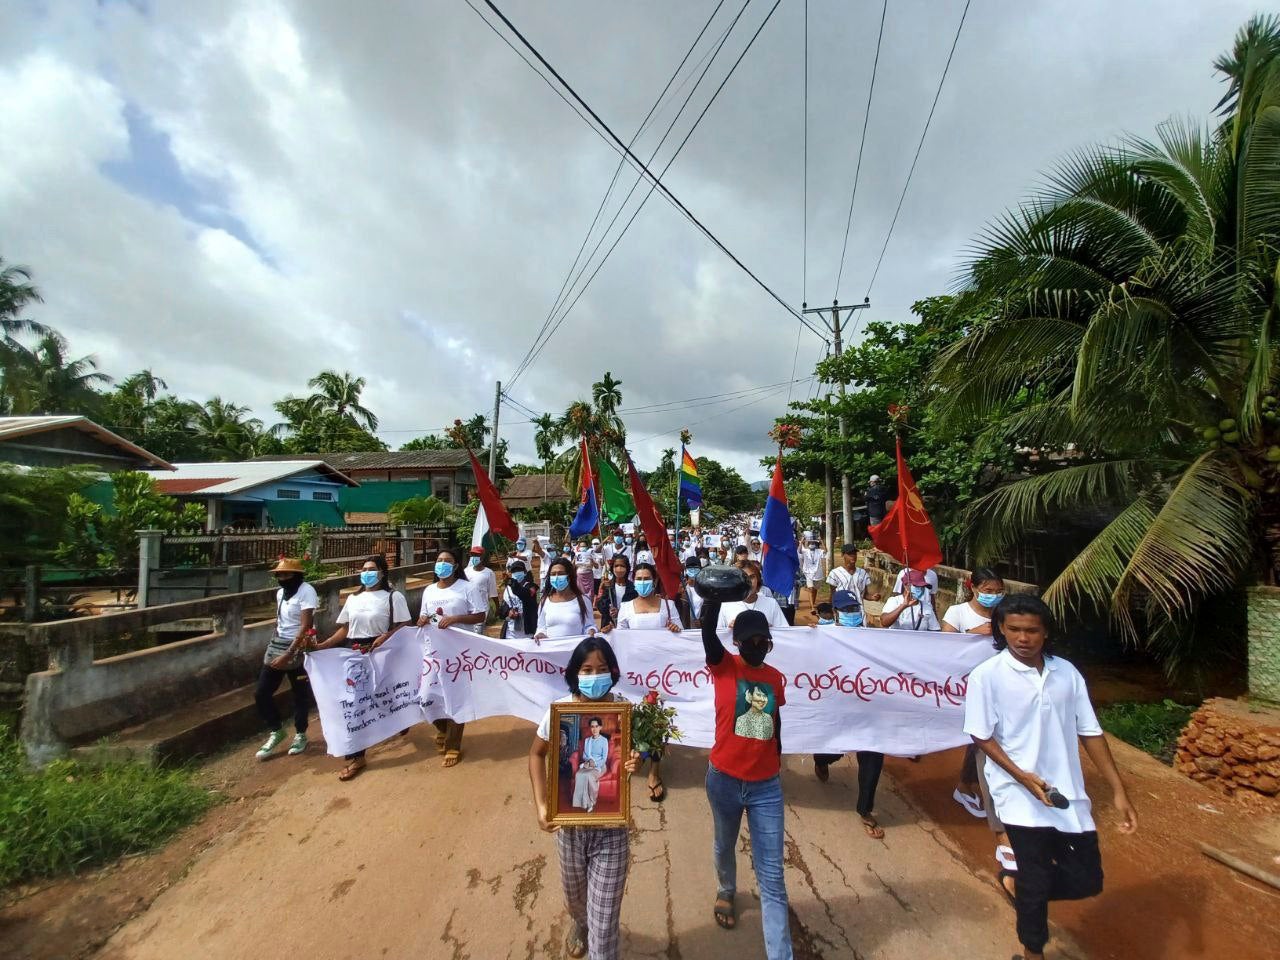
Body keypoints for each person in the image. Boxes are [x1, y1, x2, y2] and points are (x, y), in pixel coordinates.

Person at [965, 594, 1137, 960]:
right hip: (1017, 794)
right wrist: (1023, 778)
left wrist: (1118, 790)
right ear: (1001, 629)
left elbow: (1090, 731)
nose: (1022, 638)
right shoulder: (987, 676)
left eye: (1031, 631)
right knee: (1038, 876)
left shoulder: (1067, 673)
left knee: (1087, 879)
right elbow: (981, 734)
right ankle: (1032, 952)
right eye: (1013, 629)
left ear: (1045, 633)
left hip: (1067, 793)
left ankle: (1017, 882)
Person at [529, 636, 640, 960]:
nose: (594, 676)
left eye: (601, 669)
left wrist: (635, 759)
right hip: (570, 832)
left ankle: (597, 939)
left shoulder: (624, 711)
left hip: (612, 834)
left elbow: (626, 754)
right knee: (576, 899)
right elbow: (536, 755)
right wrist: (541, 806)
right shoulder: (560, 712)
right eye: (587, 669)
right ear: (574, 673)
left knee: (604, 929)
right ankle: (580, 923)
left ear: (613, 672)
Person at [698, 599, 793, 956]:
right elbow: (708, 634)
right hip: (723, 780)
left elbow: (776, 720)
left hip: (766, 787)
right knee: (724, 845)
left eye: (764, 643)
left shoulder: (774, 679)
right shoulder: (724, 667)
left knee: (773, 878)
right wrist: (715, 598)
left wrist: (776, 756)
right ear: (737, 643)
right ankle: (726, 889)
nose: (758, 648)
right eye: (751, 641)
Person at [308, 554, 412, 781]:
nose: (366, 572)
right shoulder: (354, 599)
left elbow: (405, 625)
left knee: (387, 694)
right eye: (364, 569)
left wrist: (386, 636)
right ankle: (357, 756)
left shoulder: (393, 597)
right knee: (355, 704)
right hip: (355, 654)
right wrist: (324, 645)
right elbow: (346, 628)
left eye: (371, 568)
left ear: (382, 572)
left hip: (382, 652)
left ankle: (402, 718)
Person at [944, 567, 1006, 816]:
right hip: (963, 690)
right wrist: (972, 634)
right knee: (979, 739)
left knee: (989, 740)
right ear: (974, 588)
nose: (994, 595)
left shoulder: (1004, 615)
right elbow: (942, 647)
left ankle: (970, 784)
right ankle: (968, 787)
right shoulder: (958, 613)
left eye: (999, 591)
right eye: (988, 591)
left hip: (999, 689)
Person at [417, 547, 487, 767]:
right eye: (439, 560)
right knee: (427, 696)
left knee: (457, 698)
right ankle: (443, 727)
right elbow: (423, 614)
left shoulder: (467, 588)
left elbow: (480, 615)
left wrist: (455, 618)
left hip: (459, 653)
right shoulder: (428, 590)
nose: (442, 564)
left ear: (456, 566)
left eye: (447, 561)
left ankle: (453, 744)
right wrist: (421, 620)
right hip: (432, 652)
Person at [254, 557, 316, 760]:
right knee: (261, 693)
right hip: (278, 644)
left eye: (286, 574)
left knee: (299, 694)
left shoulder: (307, 591)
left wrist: (289, 653)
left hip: (297, 647)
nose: (282, 578)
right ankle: (276, 730)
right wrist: (275, 646)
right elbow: (279, 620)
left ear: (297, 576)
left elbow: (305, 625)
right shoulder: (280, 593)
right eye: (279, 575)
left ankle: (300, 734)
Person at [535, 557, 599, 640]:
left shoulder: (583, 600)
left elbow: (590, 625)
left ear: (569, 576)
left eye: (561, 573)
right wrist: (540, 634)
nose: (557, 577)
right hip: (551, 650)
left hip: (576, 650)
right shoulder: (544, 601)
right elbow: (541, 627)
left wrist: (591, 631)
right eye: (553, 574)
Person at [715, 561, 787, 630]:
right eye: (742, 577)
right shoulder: (726, 605)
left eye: (751, 577)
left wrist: (771, 629)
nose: (748, 582)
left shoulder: (771, 604)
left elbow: (784, 634)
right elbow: (719, 635)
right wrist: (729, 629)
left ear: (758, 579)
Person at [825, 544, 879, 620]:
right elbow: (833, 595)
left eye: (854, 553)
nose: (853, 556)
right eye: (850, 554)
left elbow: (864, 594)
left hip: (859, 612)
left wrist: (872, 597)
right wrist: (831, 610)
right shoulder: (835, 573)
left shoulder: (863, 573)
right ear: (843, 555)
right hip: (842, 613)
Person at [574, 716, 611, 813]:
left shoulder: (604, 741)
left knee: (589, 775)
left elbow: (604, 758)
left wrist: (594, 763)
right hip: (589, 764)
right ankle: (583, 802)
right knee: (579, 774)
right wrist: (587, 762)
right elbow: (585, 755)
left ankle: (591, 802)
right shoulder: (587, 740)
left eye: (596, 726)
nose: (594, 729)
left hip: (600, 766)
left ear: (600, 727)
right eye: (592, 727)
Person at [596, 555, 635, 631]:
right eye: (616, 566)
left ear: (627, 568)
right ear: (612, 568)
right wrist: (602, 591)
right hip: (608, 627)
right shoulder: (608, 586)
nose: (619, 569)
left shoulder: (633, 588)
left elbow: (635, 608)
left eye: (622, 566)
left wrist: (620, 613)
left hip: (627, 628)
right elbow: (601, 608)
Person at [502, 559, 538, 639]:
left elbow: (523, 593)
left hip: (527, 633)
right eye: (514, 571)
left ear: (525, 572)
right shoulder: (507, 588)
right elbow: (503, 608)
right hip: (511, 633)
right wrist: (509, 612)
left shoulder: (531, 587)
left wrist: (511, 582)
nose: (516, 573)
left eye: (519, 570)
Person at [464, 545, 498, 626]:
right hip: (468, 609)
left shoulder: (489, 573)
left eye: (477, 555)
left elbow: (493, 592)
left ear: (482, 557)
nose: (474, 557)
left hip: (482, 609)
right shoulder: (466, 571)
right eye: (473, 555)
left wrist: (497, 607)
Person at [799, 539, 826, 611]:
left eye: (813, 543)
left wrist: (822, 542)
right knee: (810, 589)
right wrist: (801, 542)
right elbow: (799, 551)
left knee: (815, 589)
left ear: (816, 544)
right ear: (808, 545)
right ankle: (812, 607)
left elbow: (826, 552)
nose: (812, 544)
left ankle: (812, 603)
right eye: (810, 543)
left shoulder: (819, 551)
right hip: (808, 573)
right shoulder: (805, 551)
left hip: (817, 574)